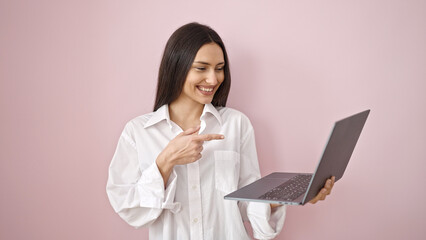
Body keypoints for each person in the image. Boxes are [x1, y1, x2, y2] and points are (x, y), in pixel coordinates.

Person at [106, 22, 334, 240]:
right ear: (177, 67)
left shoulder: (237, 124)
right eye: (201, 68)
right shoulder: (138, 132)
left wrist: (288, 197)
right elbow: (128, 208)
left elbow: (245, 204)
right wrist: (166, 161)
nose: (213, 79)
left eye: (220, 69)